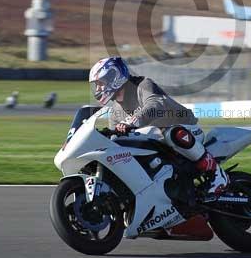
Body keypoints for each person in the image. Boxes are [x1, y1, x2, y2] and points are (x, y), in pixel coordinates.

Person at [89, 56, 228, 197]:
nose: (98, 88)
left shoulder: (142, 85)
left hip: (186, 129)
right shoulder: (115, 111)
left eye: (101, 83)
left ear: (114, 77)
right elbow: (116, 139)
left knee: (172, 133)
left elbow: (155, 104)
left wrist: (132, 121)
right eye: (97, 84)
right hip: (157, 143)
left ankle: (216, 173)